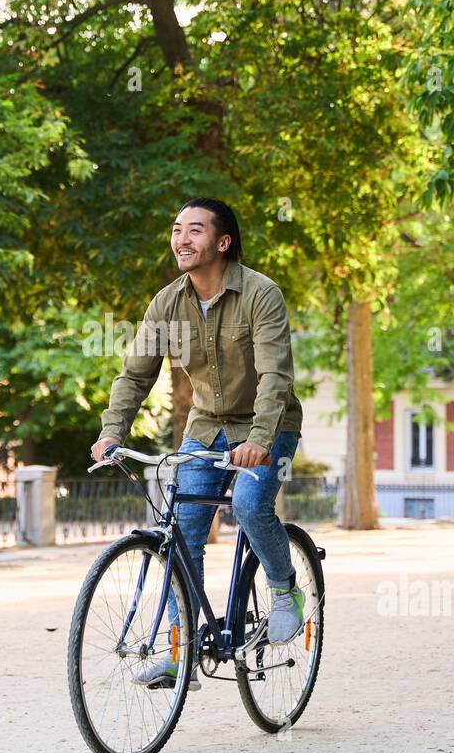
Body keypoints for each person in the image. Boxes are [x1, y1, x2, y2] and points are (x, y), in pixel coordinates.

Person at [90, 198, 304, 689]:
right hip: (206, 426)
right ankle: (175, 651)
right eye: (176, 229)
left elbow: (275, 376)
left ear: (222, 242)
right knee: (178, 535)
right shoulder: (166, 302)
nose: (181, 239)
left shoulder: (261, 294)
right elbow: (135, 373)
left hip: (268, 424)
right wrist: (111, 430)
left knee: (251, 506)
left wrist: (260, 440)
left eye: (194, 230)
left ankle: (284, 587)